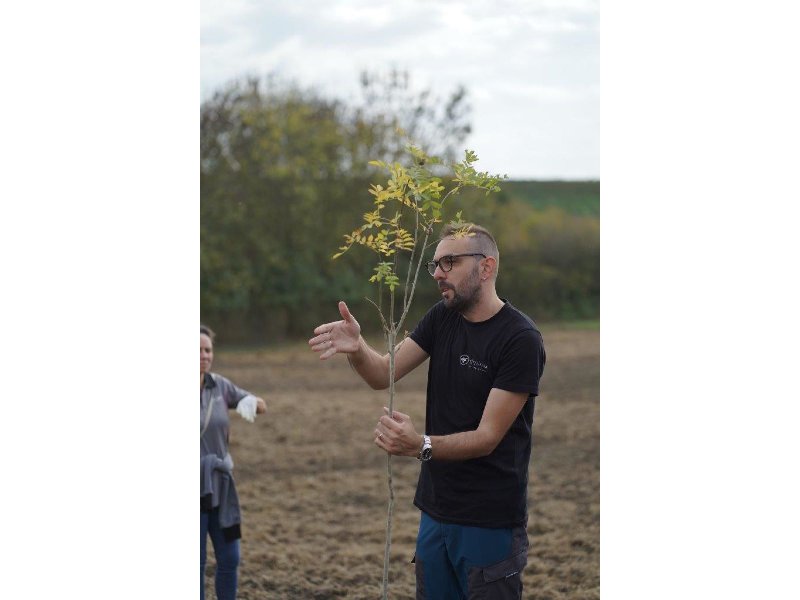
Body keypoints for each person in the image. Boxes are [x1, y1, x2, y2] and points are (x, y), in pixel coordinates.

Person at [309, 223, 545, 599]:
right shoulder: (443, 317)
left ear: (486, 267)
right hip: (435, 512)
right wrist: (357, 349)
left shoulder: (520, 340)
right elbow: (382, 374)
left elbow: (487, 438)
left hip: (489, 519)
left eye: (449, 262)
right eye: (435, 264)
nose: (437, 273)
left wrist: (420, 445)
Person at [200, 324, 266, 600]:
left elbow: (261, 405)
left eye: (208, 350)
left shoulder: (220, 386)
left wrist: (250, 402)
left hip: (221, 487)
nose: (204, 355)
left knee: (230, 558)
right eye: (197, 350)